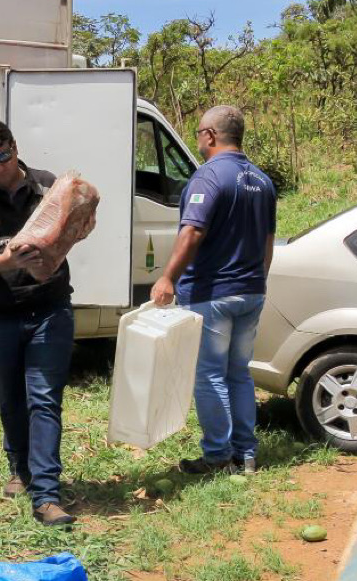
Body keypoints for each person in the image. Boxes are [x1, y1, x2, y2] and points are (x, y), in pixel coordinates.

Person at [0, 117, 76, 527]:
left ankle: (46, 494)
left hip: (49, 309)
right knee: (11, 398)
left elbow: (69, 227)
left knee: (44, 399)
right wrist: (6, 260)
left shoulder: (46, 185)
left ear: (15, 148)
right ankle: (19, 467)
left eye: (4, 156)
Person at [149, 105, 277, 475]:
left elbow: (192, 231)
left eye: (198, 133)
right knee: (238, 372)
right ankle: (246, 455)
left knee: (209, 373)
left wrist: (167, 277)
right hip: (250, 290)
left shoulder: (208, 177)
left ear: (209, 135)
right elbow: (267, 241)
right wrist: (257, 279)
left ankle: (218, 455)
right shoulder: (262, 181)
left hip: (213, 292)